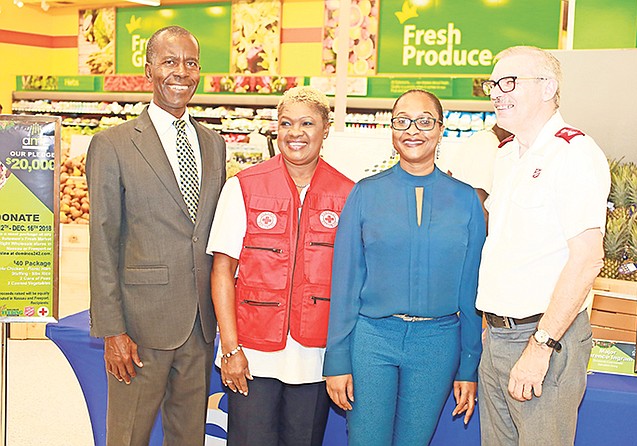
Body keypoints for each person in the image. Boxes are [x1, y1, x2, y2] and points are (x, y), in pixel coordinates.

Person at [86, 26, 226, 445]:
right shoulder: (113, 145)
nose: (180, 72)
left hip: (200, 327)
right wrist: (112, 330)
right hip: (139, 329)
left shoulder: (214, 144)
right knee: (128, 435)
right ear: (148, 69)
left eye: (190, 62)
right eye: (169, 61)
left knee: (189, 437)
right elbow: (103, 242)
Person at [324, 89, 486, 446]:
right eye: (402, 121)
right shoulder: (365, 193)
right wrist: (336, 358)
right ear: (392, 129)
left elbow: (471, 289)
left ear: (441, 129)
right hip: (372, 339)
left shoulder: (466, 199)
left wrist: (468, 365)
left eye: (425, 121)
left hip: (438, 341)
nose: (413, 130)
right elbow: (346, 282)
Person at [476, 46, 610, 446]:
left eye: (509, 82)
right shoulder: (506, 155)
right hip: (499, 338)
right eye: (493, 84)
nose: (496, 93)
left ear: (548, 87)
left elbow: (587, 260)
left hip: (543, 339)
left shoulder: (575, 154)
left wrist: (541, 345)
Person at [207, 86, 353, 446]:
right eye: (286, 123)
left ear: (326, 129)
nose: (296, 133)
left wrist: (342, 357)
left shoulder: (349, 193)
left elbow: (353, 283)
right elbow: (222, 271)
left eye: (307, 123)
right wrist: (230, 349)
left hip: (315, 355)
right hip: (253, 353)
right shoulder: (243, 186)